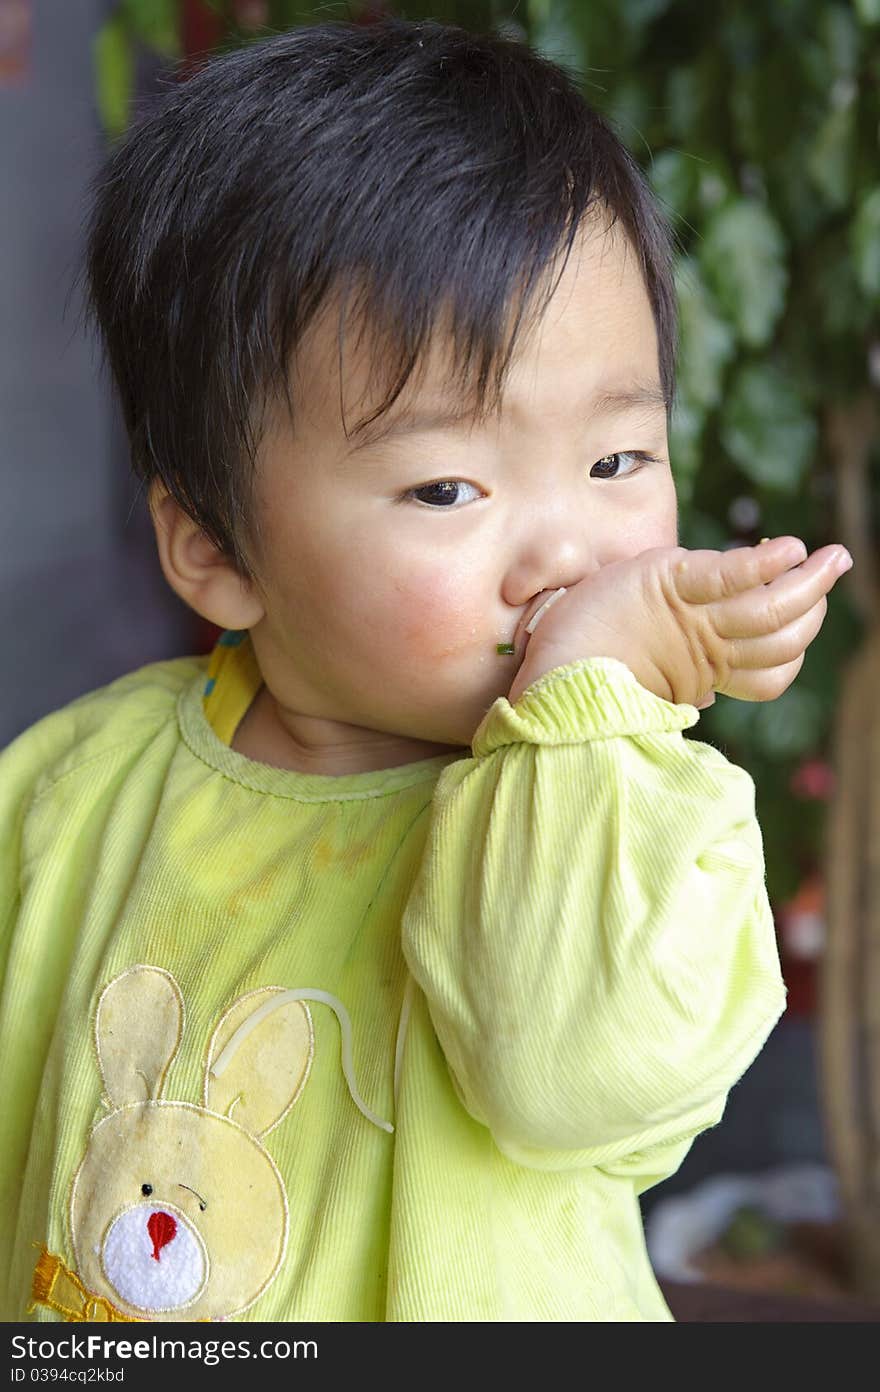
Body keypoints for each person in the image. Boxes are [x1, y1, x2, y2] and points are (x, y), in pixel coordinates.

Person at [0, 18, 852, 1324]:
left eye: (619, 460)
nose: (566, 549)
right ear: (216, 551)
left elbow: (568, 1074)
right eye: (448, 483)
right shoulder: (67, 792)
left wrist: (581, 703)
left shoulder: (641, 823)